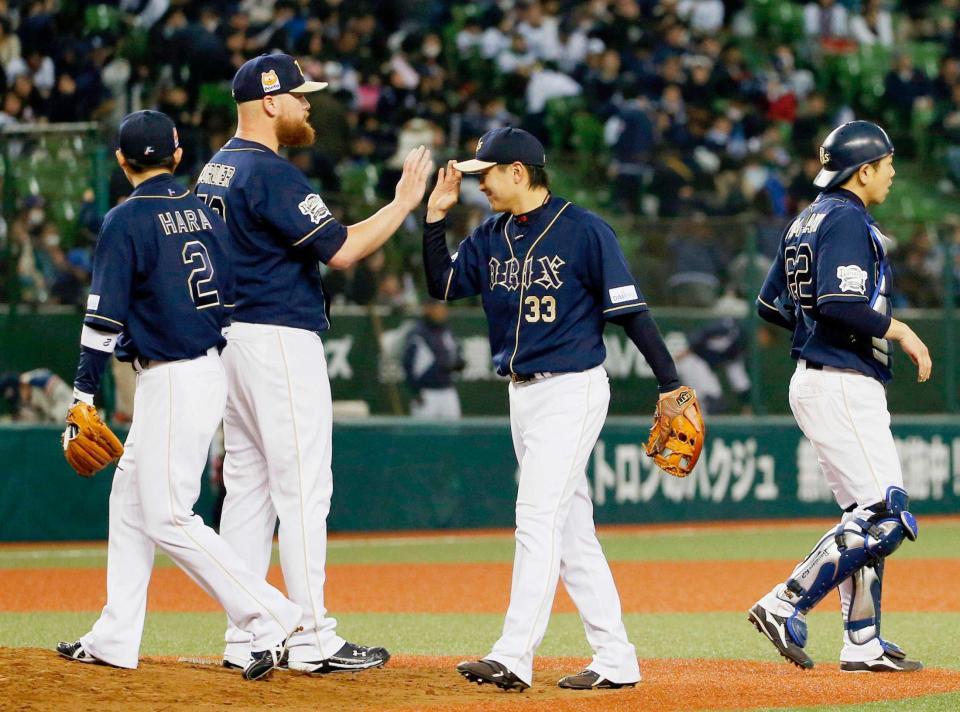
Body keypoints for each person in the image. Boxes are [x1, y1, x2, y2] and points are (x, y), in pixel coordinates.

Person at [423, 127, 692, 691]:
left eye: (487, 174)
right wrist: (434, 220)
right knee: (571, 531)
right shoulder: (490, 234)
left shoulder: (585, 231)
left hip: (573, 389)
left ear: (519, 172)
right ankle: (616, 657)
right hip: (522, 393)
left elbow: (631, 313)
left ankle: (513, 654)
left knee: (536, 515)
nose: (481, 186)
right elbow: (442, 284)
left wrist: (670, 383)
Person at [194, 54, 433, 674]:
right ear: (269, 101)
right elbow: (345, 249)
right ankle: (310, 637)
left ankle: (246, 635)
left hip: (229, 335)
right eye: (299, 96)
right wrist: (404, 202)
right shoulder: (269, 172)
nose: (308, 105)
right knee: (303, 488)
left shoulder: (215, 167)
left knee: (247, 489)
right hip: (276, 335)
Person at [56, 110, 303, 682]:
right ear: (177, 155)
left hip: (172, 375)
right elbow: (233, 292)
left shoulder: (125, 220)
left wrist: (83, 395)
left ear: (122, 162)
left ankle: (272, 613)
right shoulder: (203, 210)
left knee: (168, 514)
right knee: (129, 501)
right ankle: (116, 635)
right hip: (203, 366)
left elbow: (102, 323)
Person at [750, 120, 931, 672]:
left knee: (863, 516)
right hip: (842, 380)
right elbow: (838, 303)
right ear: (864, 170)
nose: (893, 172)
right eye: (887, 162)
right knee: (885, 517)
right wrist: (898, 330)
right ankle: (785, 601)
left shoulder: (807, 218)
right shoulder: (848, 217)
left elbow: (769, 304)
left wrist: (813, 335)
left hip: (821, 375)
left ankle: (862, 641)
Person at [402, 299, 465, 419]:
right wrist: (415, 392)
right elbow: (407, 365)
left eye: (443, 308)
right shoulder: (418, 334)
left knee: (453, 434)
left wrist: (457, 364)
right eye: (438, 308)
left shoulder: (447, 332)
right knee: (424, 435)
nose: (442, 311)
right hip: (426, 393)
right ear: (428, 309)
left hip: (448, 391)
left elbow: (457, 356)